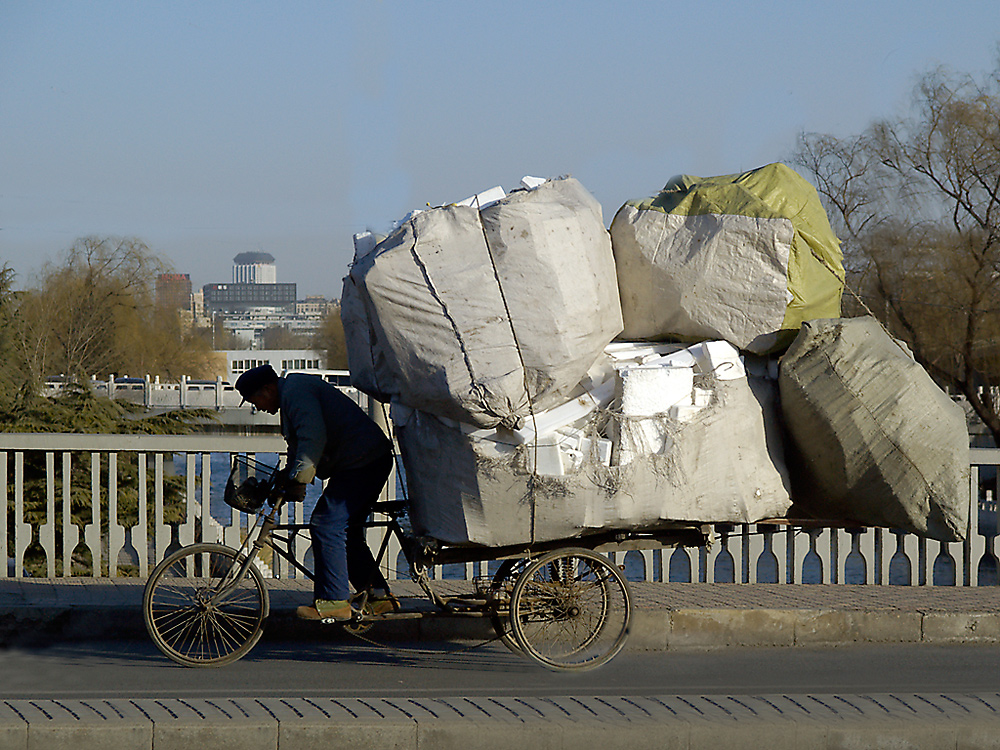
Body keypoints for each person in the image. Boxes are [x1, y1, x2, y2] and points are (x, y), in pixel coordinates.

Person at [234, 364, 398, 621]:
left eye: (255, 401)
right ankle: (379, 597)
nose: (259, 408)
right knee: (347, 532)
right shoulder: (292, 394)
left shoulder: (296, 393)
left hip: (363, 461)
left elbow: (312, 437)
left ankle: (334, 602)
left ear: (266, 389)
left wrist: (299, 477)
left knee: (325, 523)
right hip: (365, 460)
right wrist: (290, 478)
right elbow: (298, 445)